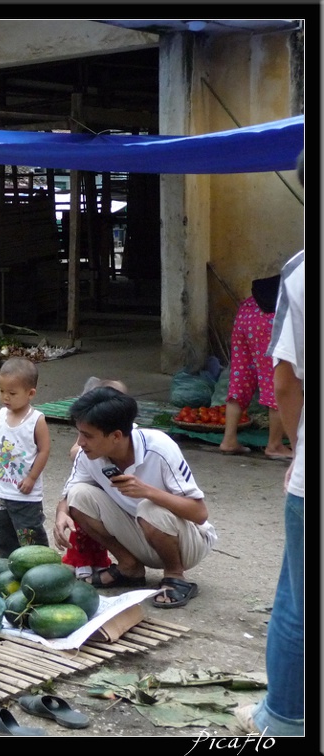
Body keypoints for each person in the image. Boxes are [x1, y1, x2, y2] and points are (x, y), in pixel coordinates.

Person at [235, 158, 305, 737]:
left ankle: (283, 718)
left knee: (300, 602)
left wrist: (301, 445)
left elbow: (284, 382)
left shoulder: (302, 273)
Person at [53, 386, 216, 609]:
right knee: (78, 495)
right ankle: (129, 566)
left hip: (187, 541)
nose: (80, 442)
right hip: (139, 534)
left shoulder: (159, 447)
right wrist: (61, 514)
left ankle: (175, 576)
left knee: (149, 508)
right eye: (79, 433)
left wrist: (148, 491)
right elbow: (68, 493)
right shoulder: (88, 455)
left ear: (116, 436)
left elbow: (199, 513)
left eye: (88, 435)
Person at [0, 357, 51, 559]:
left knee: (30, 536)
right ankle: (6, 568)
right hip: (0, 491)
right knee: (1, 535)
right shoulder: (1, 415)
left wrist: (32, 478)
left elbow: (44, 451)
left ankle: (39, 569)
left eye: (12, 393)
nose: (5, 397)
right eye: (1, 391)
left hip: (24, 495)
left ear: (30, 393)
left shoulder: (36, 420)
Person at [219, 275, 292, 460]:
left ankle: (229, 440)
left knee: (240, 377)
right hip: (270, 318)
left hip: (248, 311)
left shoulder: (295, 269)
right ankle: (275, 446)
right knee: (277, 380)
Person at [62, 378, 127, 578]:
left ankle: (100, 561)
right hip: (92, 489)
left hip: (115, 500)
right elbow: (75, 452)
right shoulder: (88, 439)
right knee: (82, 529)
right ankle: (81, 561)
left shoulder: (128, 436)